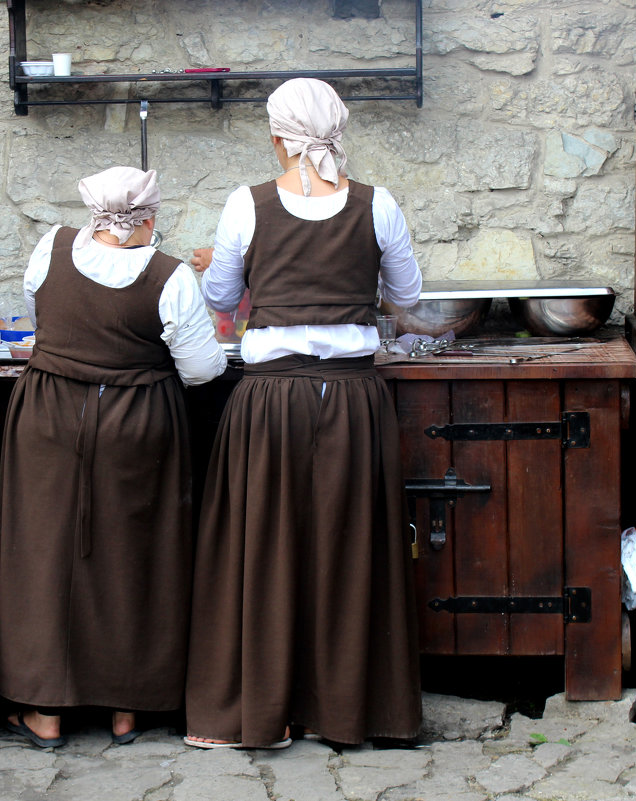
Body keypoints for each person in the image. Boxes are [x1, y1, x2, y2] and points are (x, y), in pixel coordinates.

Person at [184, 78, 424, 749]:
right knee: (347, 554)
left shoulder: (247, 203)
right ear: (338, 131)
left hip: (271, 400)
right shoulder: (377, 206)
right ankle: (342, 710)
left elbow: (221, 294)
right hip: (351, 399)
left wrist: (228, 267)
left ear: (276, 136)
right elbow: (406, 294)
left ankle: (264, 711)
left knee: (264, 551)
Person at [0, 166, 227, 748]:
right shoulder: (170, 277)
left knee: (44, 556)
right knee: (135, 558)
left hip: (48, 415)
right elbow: (201, 370)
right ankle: (126, 709)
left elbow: (39, 310)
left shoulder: (52, 245)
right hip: (137, 422)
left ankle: (46, 713)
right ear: (149, 216)